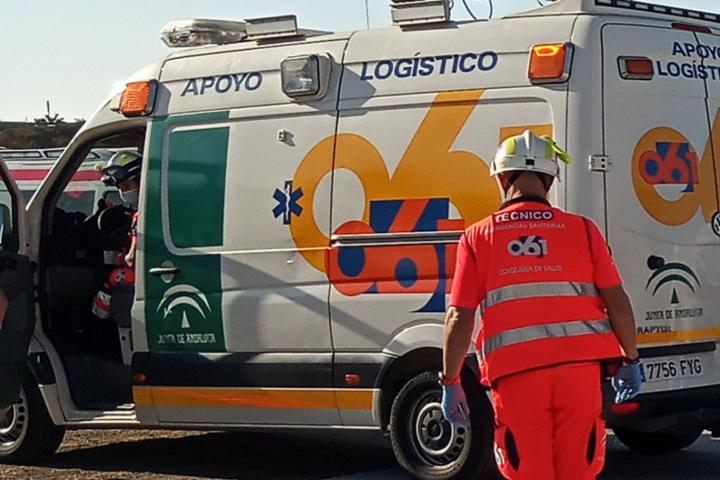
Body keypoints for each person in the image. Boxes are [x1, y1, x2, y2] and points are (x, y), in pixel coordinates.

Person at [440, 131, 642, 480]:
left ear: (503, 178)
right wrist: (631, 358)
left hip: (516, 376)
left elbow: (459, 316)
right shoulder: (583, 231)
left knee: (528, 472)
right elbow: (618, 304)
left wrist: (450, 380)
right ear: (550, 180)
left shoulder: (477, 237)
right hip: (579, 374)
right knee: (578, 471)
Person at [91, 151, 141, 320]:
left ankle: (101, 321)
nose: (123, 192)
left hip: (144, 277)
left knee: (116, 278)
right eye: (120, 188)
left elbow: (132, 259)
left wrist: (123, 258)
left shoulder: (141, 216)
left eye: (127, 186)